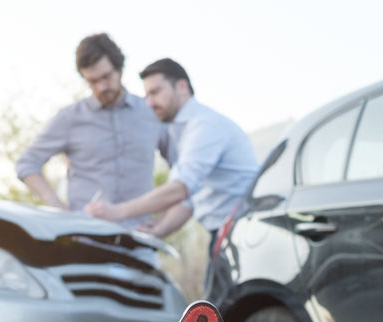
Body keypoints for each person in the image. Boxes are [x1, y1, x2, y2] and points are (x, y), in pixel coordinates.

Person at [84, 58, 260, 254]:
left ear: (182, 87)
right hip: (228, 234)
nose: (149, 103)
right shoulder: (184, 131)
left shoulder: (204, 126)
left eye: (155, 92)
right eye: (147, 95)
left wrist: (117, 211)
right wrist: (158, 228)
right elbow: (189, 199)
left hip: (244, 235)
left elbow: (179, 189)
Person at [15, 33, 164, 228]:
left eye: (106, 77)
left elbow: (183, 173)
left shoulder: (151, 112)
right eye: (92, 81)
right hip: (86, 238)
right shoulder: (70, 118)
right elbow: (27, 163)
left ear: (119, 69)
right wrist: (62, 213)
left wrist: (162, 224)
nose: (101, 87)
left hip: (139, 239)